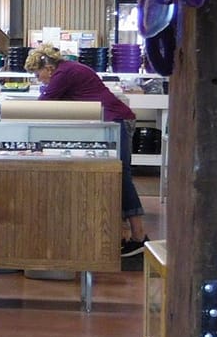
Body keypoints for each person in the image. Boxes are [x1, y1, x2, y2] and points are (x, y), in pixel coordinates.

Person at [23, 45, 149, 258]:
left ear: (47, 66)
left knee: (121, 176)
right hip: (114, 120)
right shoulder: (70, 69)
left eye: (38, 74)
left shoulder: (63, 73)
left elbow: (43, 105)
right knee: (117, 175)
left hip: (115, 121)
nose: (39, 79)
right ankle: (124, 236)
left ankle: (138, 237)